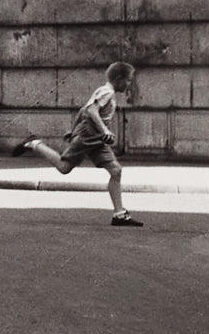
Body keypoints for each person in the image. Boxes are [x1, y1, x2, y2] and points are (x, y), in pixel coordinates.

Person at [11, 61, 144, 227]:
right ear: (119, 79)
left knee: (116, 171)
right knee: (64, 167)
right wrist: (104, 131)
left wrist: (73, 130)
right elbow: (90, 111)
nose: (129, 84)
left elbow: (83, 110)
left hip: (96, 140)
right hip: (88, 137)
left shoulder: (106, 92)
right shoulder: (107, 92)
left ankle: (119, 214)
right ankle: (34, 143)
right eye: (129, 80)